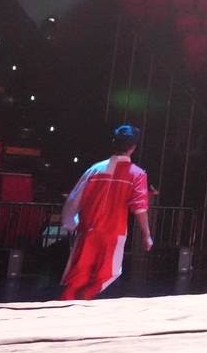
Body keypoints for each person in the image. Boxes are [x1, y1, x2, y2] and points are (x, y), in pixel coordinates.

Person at [59, 124, 153, 300]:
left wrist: (70, 222)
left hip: (88, 229)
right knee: (109, 273)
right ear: (133, 147)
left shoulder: (95, 169)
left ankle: (63, 307)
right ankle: (86, 295)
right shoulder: (137, 174)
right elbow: (139, 206)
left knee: (78, 275)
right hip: (114, 232)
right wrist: (146, 234)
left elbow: (74, 198)